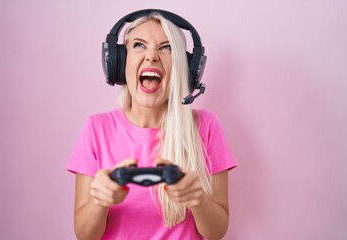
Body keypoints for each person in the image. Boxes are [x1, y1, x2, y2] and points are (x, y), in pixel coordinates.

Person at [66, 9, 237, 240]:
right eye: (139, 45)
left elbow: (217, 232)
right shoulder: (96, 128)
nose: (151, 56)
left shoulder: (206, 126)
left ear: (182, 66)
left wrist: (198, 199)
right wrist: (100, 200)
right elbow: (84, 235)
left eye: (166, 47)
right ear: (119, 62)